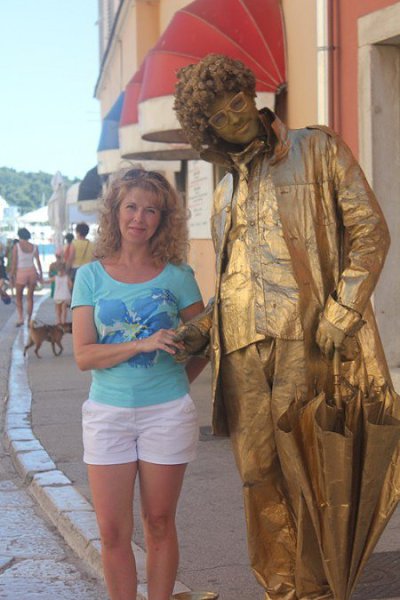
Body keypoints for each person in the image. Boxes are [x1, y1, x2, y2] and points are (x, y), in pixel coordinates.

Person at [174, 53, 393, 600]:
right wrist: (202, 329)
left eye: (237, 101)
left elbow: (369, 230)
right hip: (240, 353)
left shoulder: (316, 149)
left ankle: (318, 590)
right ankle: (281, 590)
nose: (235, 116)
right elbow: (233, 280)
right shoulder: (222, 194)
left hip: (306, 340)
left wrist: (342, 311)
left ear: (252, 94)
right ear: (209, 131)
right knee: (258, 476)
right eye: (219, 116)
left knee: (311, 472)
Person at [71, 168, 207, 600]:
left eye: (151, 210)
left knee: (159, 523)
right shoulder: (90, 276)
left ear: (163, 218)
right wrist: (141, 344)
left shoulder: (178, 275)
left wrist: (177, 384)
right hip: (107, 415)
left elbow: (205, 343)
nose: (139, 218)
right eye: (131, 207)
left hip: (166, 413)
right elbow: (83, 355)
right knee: (112, 531)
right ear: (115, 211)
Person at [10, 227, 43, 326]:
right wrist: (40, 274)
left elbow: (14, 262)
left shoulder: (17, 246)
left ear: (19, 235)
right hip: (32, 272)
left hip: (21, 272)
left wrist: (12, 274)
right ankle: (29, 320)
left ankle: (20, 318)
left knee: (19, 297)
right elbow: (38, 262)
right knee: (30, 298)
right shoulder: (34, 247)